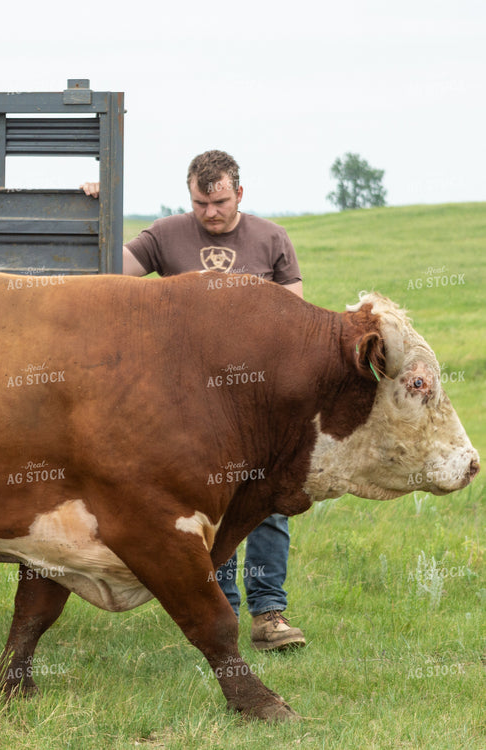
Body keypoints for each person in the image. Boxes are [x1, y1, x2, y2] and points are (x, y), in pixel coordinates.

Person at [80, 150, 306, 651]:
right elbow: (107, 275)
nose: (210, 213)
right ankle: (219, 609)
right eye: (201, 202)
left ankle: (270, 614)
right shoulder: (166, 234)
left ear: (239, 194)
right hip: (189, 408)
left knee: (266, 506)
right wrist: (95, 212)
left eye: (220, 201)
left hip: (256, 404)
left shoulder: (271, 239)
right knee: (205, 509)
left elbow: (297, 322)